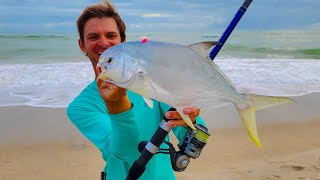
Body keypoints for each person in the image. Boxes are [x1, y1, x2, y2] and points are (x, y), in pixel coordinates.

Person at [67, 1, 206, 179]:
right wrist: (116, 104)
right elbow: (126, 151)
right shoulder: (82, 107)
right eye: (93, 37)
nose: (103, 43)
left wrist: (190, 120)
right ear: (82, 45)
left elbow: (198, 136)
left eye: (111, 35)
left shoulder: (153, 83)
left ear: (123, 42)